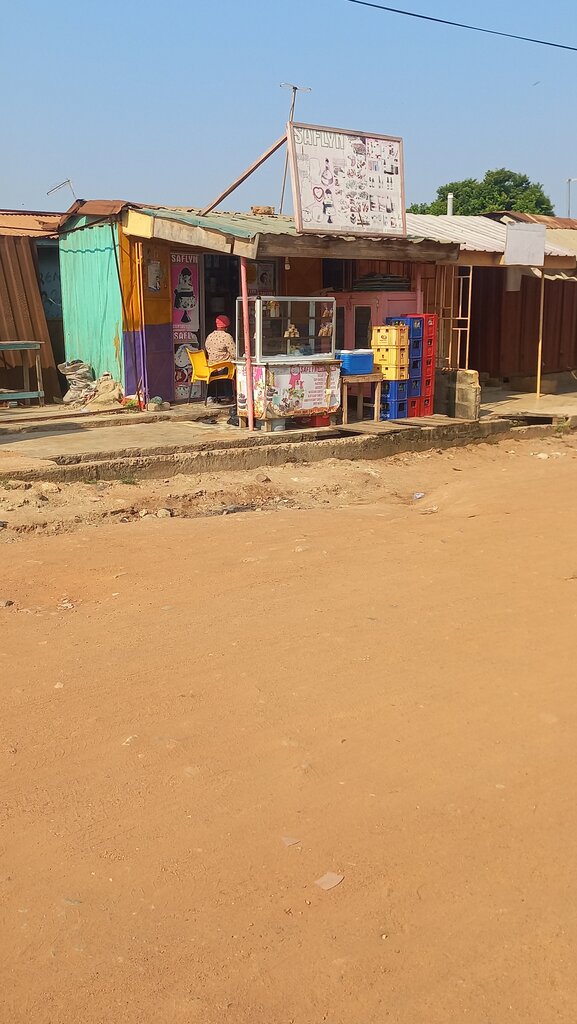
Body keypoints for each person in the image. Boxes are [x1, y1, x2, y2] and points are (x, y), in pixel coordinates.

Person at [204, 315, 235, 404]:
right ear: (227, 326)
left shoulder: (210, 336)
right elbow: (234, 353)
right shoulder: (227, 336)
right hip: (223, 367)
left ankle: (213, 395)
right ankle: (230, 395)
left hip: (211, 367)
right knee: (236, 368)